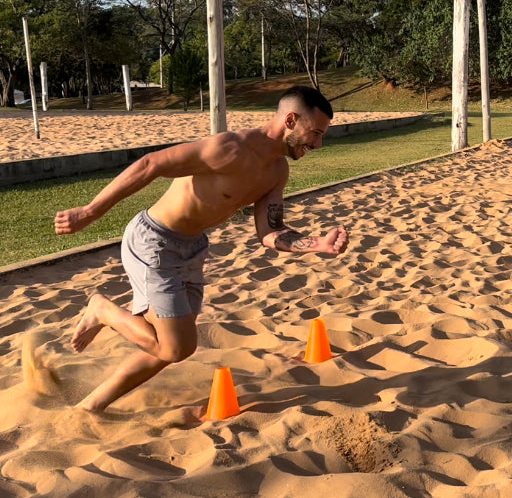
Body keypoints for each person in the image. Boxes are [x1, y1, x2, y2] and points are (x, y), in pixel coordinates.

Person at [54, 85, 349, 413]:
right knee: (175, 347)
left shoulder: (277, 171)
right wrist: (91, 211)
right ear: (291, 120)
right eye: (315, 133)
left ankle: (91, 404)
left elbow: (270, 231)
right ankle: (103, 310)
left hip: (192, 249)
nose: (318, 144)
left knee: (171, 347)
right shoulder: (230, 149)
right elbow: (152, 164)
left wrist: (315, 245)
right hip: (155, 242)